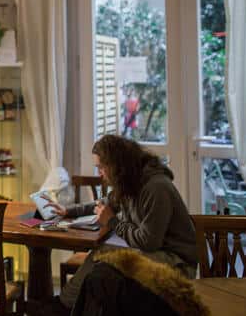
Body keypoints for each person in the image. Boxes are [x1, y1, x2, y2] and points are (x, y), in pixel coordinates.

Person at [48, 134, 198, 313]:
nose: (100, 174)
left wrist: (112, 221)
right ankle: (67, 304)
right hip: (155, 252)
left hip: (176, 262)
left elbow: (149, 242)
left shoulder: (156, 187)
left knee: (102, 266)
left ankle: (64, 305)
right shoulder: (130, 182)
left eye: (101, 167)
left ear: (116, 165)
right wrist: (68, 211)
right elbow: (104, 203)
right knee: (100, 261)